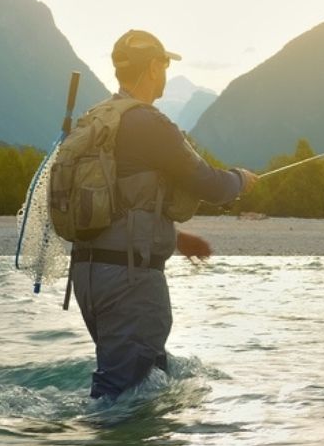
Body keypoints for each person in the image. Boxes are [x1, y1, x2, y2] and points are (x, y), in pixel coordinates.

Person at [70, 29, 257, 400]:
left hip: (88, 276)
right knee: (119, 397)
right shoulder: (148, 124)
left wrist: (176, 239)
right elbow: (210, 184)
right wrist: (241, 180)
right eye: (165, 64)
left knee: (148, 379)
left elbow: (120, 203)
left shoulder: (98, 119)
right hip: (131, 281)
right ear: (155, 67)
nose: (165, 73)